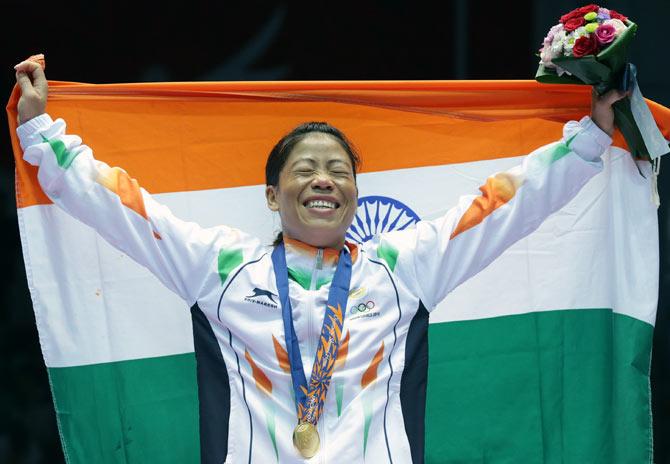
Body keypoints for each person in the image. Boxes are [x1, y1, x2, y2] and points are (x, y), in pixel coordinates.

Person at [14, 58, 625, 464]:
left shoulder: (402, 265)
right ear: (273, 196)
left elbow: (502, 206)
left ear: (355, 192)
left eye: (338, 170)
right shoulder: (222, 266)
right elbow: (124, 207)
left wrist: (590, 138)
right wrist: (41, 131)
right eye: (304, 170)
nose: (323, 180)